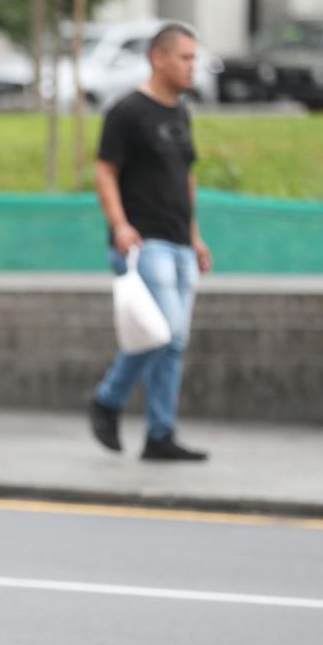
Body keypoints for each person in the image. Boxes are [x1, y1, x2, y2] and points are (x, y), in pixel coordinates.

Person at [88, 24, 213, 462]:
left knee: (174, 342)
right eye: (184, 57)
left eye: (194, 58)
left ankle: (160, 434)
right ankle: (108, 398)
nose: (192, 66)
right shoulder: (127, 112)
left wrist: (195, 237)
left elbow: (187, 178)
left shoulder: (180, 112)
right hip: (144, 240)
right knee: (166, 333)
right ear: (158, 58)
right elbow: (105, 173)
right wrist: (120, 225)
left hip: (178, 241)